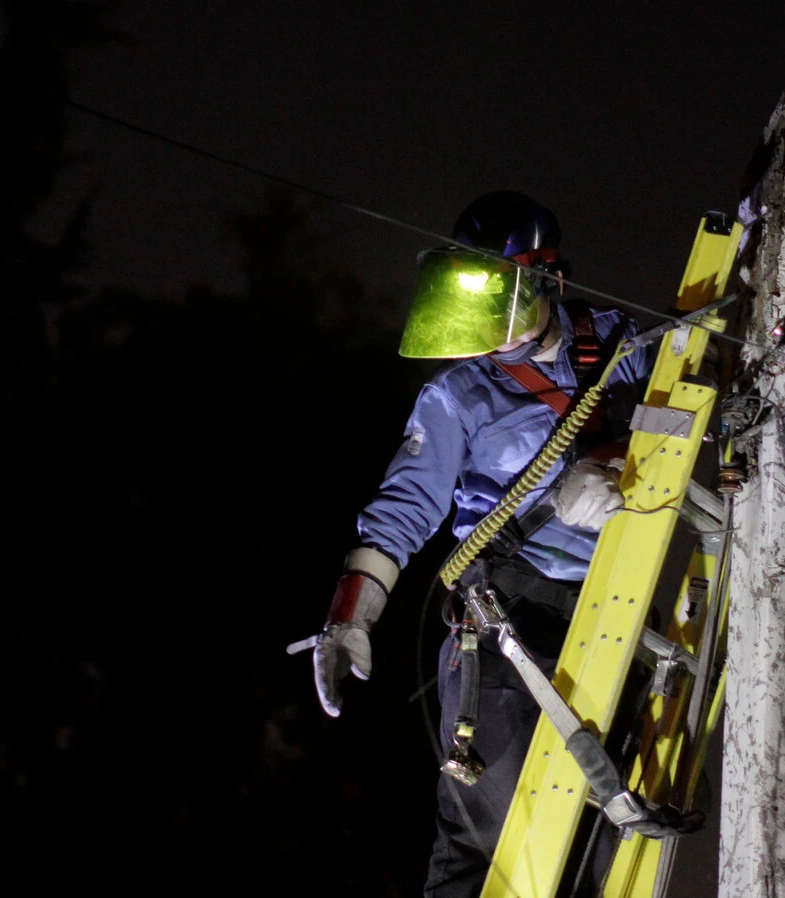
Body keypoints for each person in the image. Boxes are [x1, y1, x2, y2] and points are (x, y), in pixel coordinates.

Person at [296, 191, 654, 897]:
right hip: (505, 632)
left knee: (601, 850)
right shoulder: (459, 394)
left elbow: (704, 388)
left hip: (612, 618)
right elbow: (405, 506)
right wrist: (350, 615)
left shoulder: (623, 347)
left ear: (549, 278)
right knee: (498, 844)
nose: (493, 321)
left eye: (506, 295)